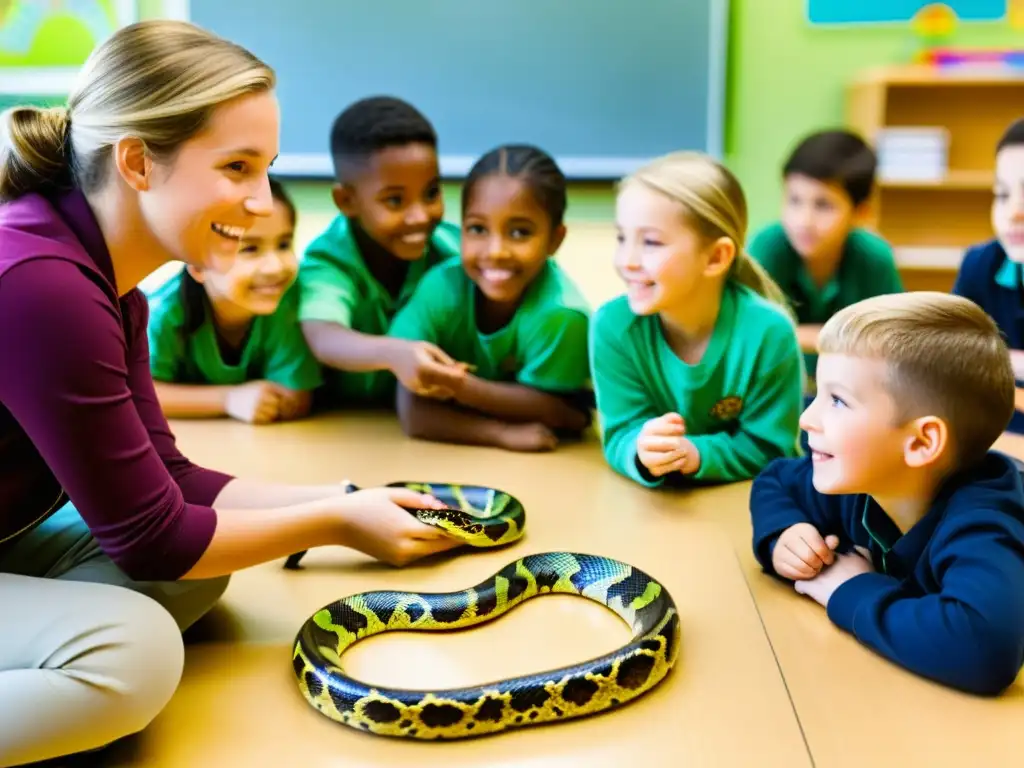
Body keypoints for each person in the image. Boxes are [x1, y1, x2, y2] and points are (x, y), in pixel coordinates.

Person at [0, 21, 460, 766]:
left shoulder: (112, 288)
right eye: (238, 167)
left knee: (196, 581)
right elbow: (152, 536)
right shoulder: (42, 286)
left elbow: (172, 484)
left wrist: (343, 495)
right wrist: (339, 522)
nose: (260, 200)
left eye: (265, 168)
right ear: (138, 161)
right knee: (138, 647)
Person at [750, 292, 1024, 696]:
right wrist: (783, 535)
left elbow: (985, 649)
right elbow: (775, 479)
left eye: (838, 400)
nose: (807, 418)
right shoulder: (864, 479)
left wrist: (849, 590)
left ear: (921, 442)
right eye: (818, 395)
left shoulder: (984, 523)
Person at [589, 151, 804, 488]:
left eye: (650, 242)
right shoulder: (611, 327)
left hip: (747, 503)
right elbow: (619, 433)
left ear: (716, 257)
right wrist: (641, 451)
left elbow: (771, 448)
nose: (626, 260)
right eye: (621, 238)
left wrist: (696, 454)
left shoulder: (769, 333)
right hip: (655, 509)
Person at [388, 144, 592, 452]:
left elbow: (566, 416)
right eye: (478, 229)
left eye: (520, 232)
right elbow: (414, 415)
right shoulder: (441, 287)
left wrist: (460, 388)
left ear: (554, 239)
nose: (495, 251)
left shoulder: (562, 315)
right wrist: (500, 433)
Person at [297, 96, 466, 409]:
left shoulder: (457, 253)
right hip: (346, 426)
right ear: (346, 200)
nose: (420, 216)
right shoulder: (328, 261)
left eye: (431, 193)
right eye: (395, 201)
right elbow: (323, 336)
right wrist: (394, 352)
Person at [145, 177, 323, 424]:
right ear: (197, 265)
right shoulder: (163, 312)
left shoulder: (288, 304)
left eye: (284, 244)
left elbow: (296, 397)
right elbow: (140, 393)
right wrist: (228, 399)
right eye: (249, 249)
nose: (275, 266)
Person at [748, 129, 902, 383]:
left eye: (823, 205)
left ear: (861, 213)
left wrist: (792, 334)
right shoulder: (766, 247)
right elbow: (748, 332)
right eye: (794, 200)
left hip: (851, 387)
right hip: (773, 386)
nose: (803, 221)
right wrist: (845, 339)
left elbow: (888, 339)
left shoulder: (875, 257)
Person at [951, 117, 1024, 433]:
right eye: (1002, 194)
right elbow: (948, 350)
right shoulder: (981, 263)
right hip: (992, 438)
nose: (1014, 212)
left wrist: (996, 360)